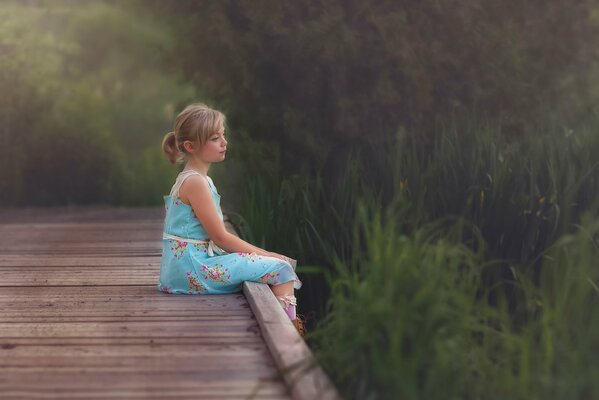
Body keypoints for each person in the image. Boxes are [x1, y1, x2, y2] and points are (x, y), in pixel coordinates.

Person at [158, 103, 305, 335]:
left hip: (184, 267)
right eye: (216, 138)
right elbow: (220, 237)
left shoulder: (196, 179)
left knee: (269, 266)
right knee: (281, 268)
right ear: (191, 146)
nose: (224, 143)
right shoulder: (195, 182)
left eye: (223, 135)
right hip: (193, 270)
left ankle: (286, 330)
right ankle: (288, 336)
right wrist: (266, 254)